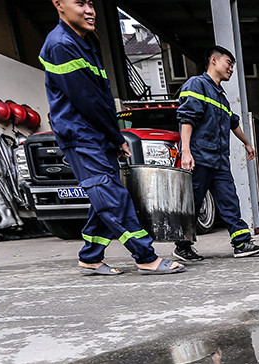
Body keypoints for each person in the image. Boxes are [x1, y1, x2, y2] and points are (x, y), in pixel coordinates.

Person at [39, 0, 185, 275]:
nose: (89, 10)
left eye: (90, 3)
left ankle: (90, 257)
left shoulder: (82, 42)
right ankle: (146, 256)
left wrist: (111, 136)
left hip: (93, 133)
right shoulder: (61, 45)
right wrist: (116, 137)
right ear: (58, 4)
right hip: (81, 135)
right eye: (80, 3)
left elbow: (98, 98)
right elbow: (88, 100)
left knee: (104, 196)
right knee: (112, 196)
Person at [173, 45, 259, 261]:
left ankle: (241, 243)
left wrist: (247, 143)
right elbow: (187, 118)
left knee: (229, 200)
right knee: (193, 204)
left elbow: (233, 123)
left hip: (219, 161)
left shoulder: (221, 97)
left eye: (232, 65)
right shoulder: (197, 85)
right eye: (228, 63)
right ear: (213, 60)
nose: (231, 68)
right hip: (199, 158)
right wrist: (186, 151)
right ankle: (182, 246)